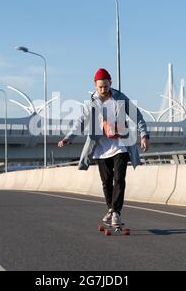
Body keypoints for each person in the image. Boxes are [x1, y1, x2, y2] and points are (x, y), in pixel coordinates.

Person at [58, 68, 149, 226]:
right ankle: (110, 208)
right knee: (106, 182)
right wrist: (68, 138)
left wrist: (144, 135)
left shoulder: (120, 98)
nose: (103, 90)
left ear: (110, 84)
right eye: (100, 87)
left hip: (121, 145)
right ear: (95, 85)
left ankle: (116, 213)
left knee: (119, 179)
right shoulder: (91, 104)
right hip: (101, 149)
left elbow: (137, 115)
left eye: (106, 87)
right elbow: (81, 122)